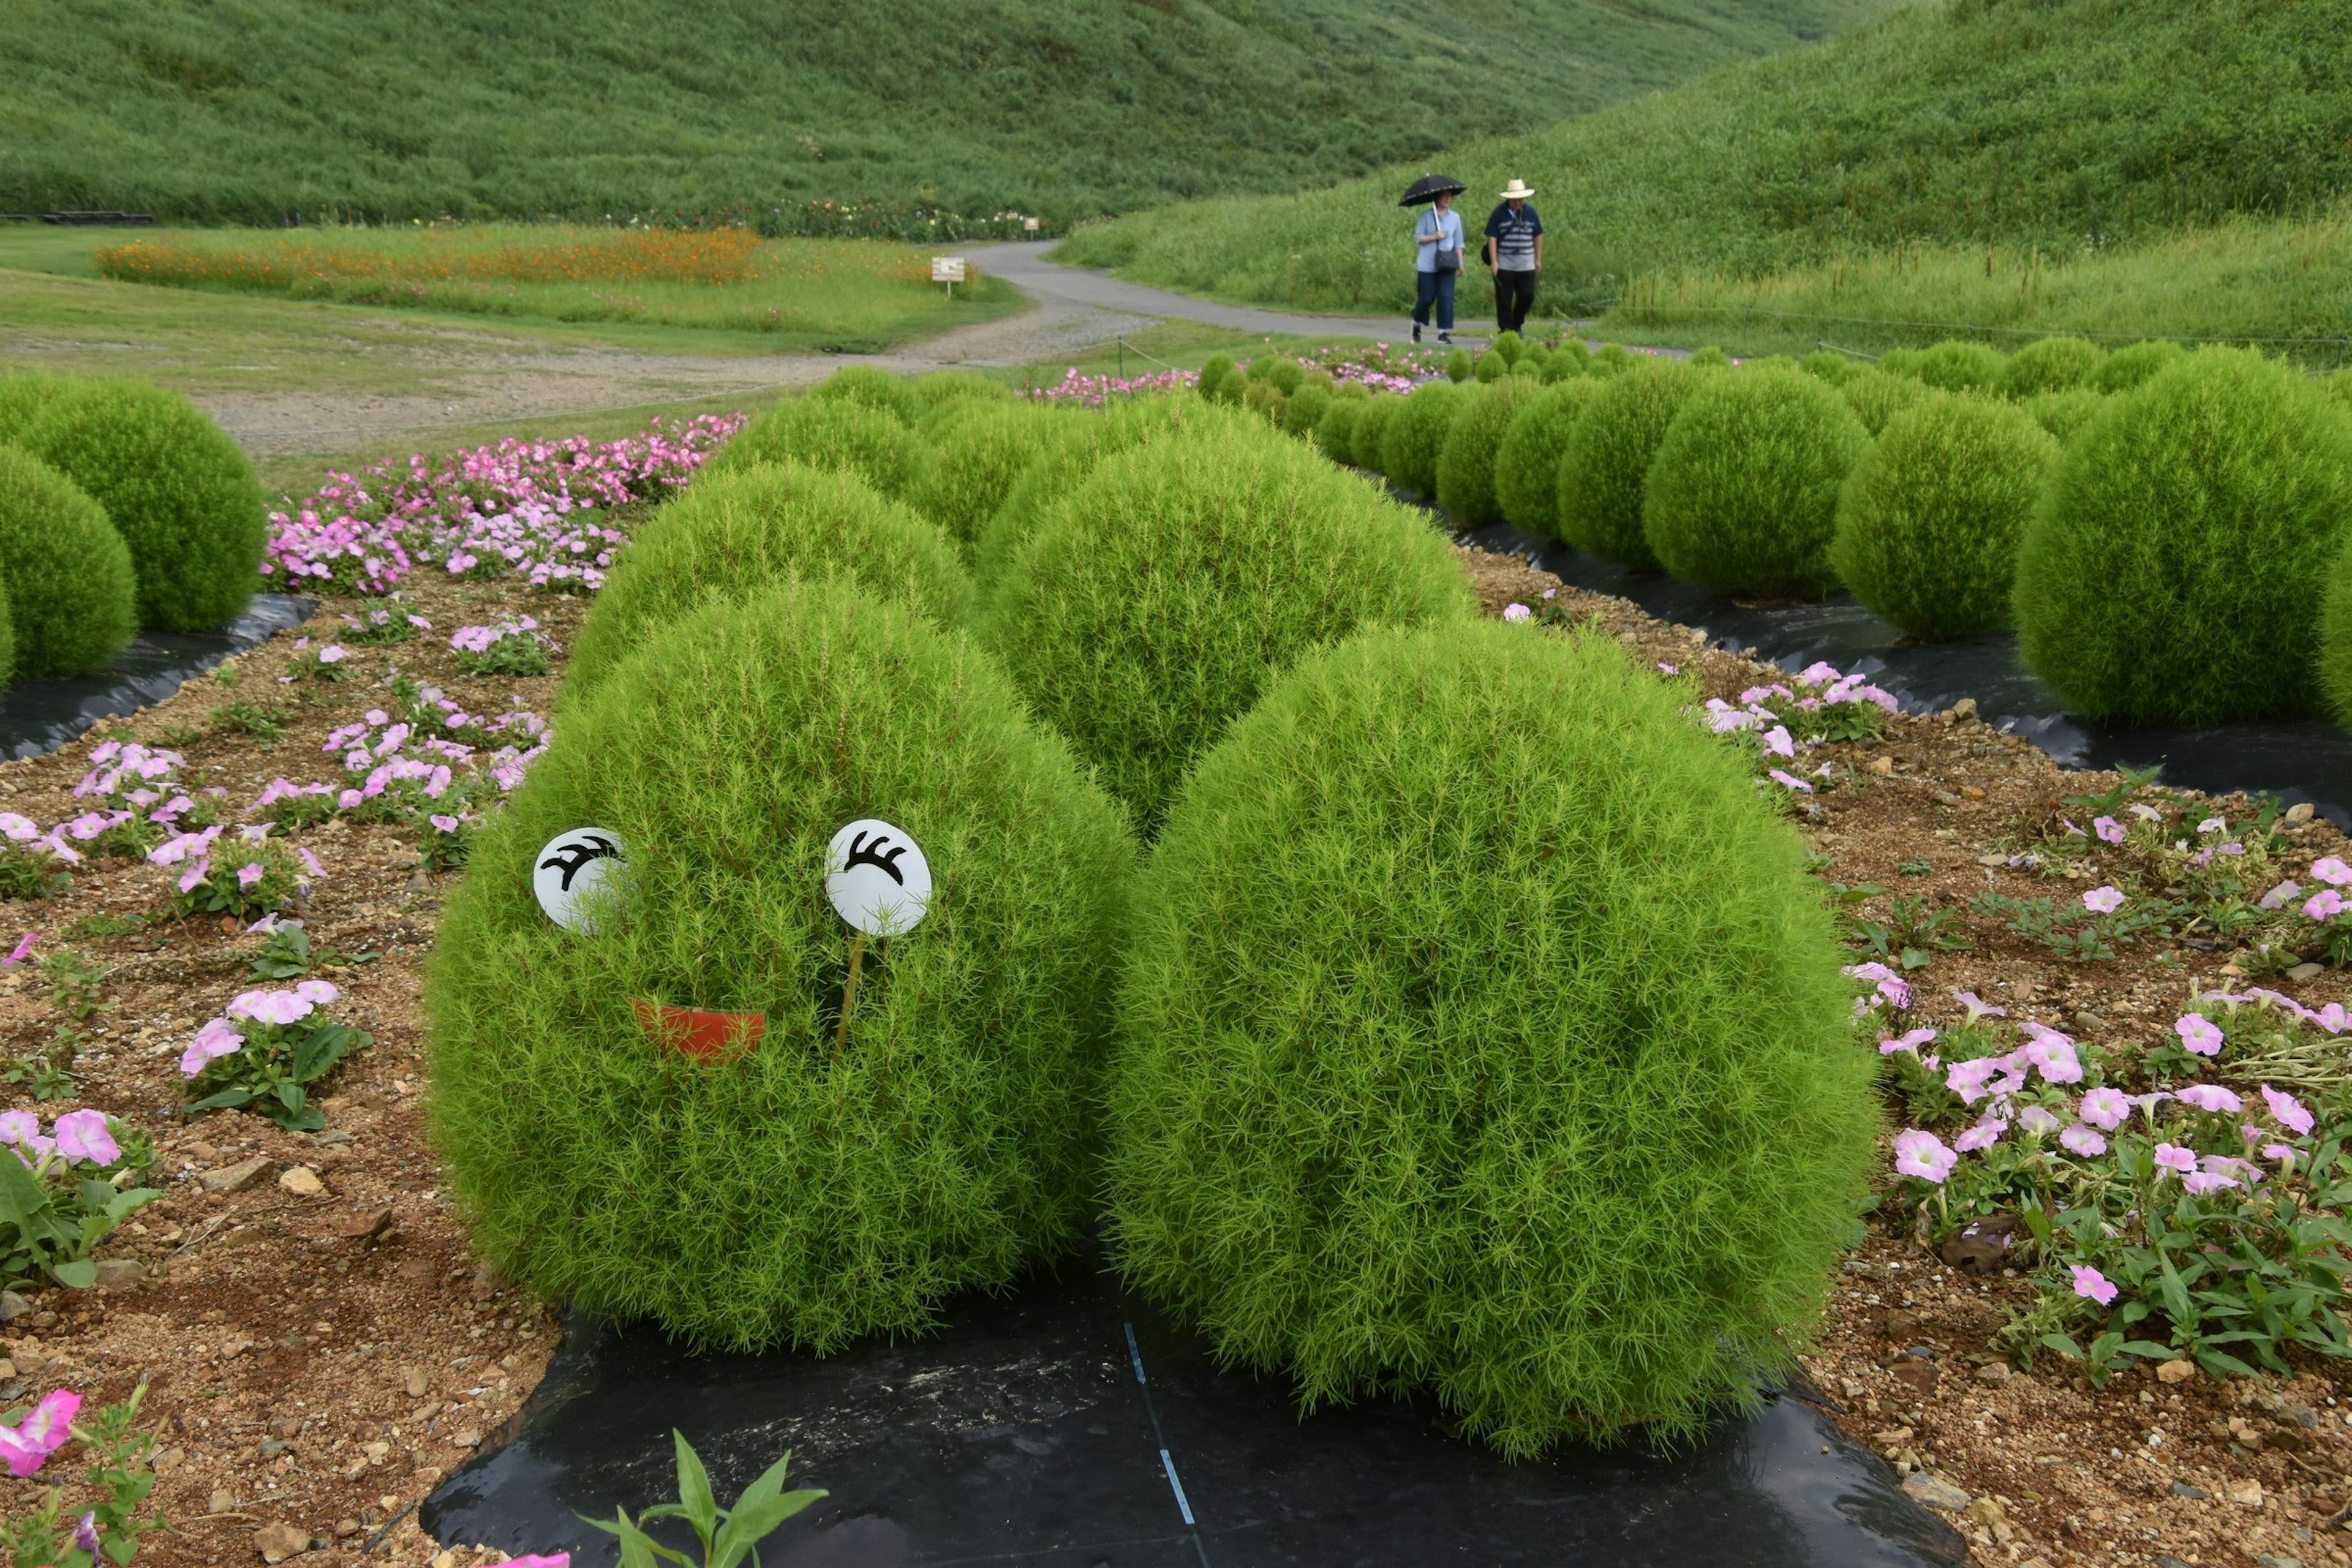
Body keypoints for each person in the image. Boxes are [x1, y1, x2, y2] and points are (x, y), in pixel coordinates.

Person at [1482, 178, 1544, 335]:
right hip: (1505, 263)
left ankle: (1517, 323)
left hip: (1526, 263)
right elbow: (1492, 237)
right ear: (1509, 198)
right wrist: (1494, 261)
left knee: (1527, 295)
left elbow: (1538, 235)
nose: (1518, 202)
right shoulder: (1499, 213)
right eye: (1515, 199)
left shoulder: (1531, 212)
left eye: (1521, 199)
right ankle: (1506, 329)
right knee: (1504, 299)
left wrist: (1538, 259)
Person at [1412, 188, 1464, 344]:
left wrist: (1460, 263)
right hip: (1427, 264)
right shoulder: (1426, 216)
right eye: (1445, 196)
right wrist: (1435, 236)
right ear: (1437, 198)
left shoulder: (1455, 218)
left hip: (1447, 264)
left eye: (1450, 197)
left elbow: (1458, 243)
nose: (1448, 199)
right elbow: (1418, 238)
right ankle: (1416, 323)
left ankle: (1443, 332)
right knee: (1426, 298)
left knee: (1446, 297)